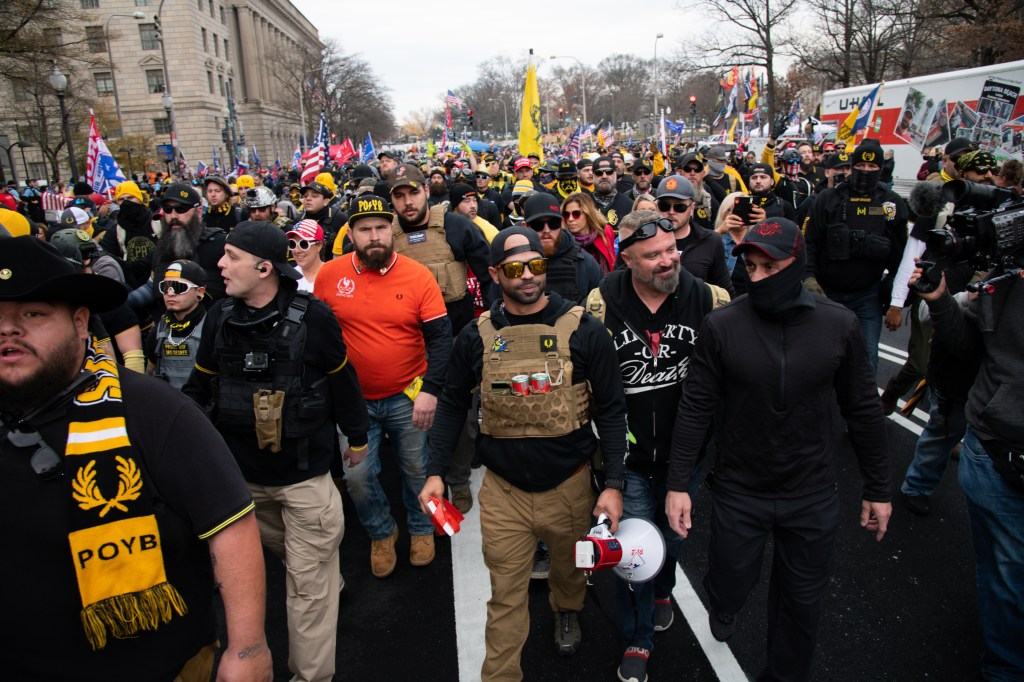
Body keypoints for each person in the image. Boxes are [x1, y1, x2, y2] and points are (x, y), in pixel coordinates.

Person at [0, 236, 271, 680]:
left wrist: (248, 649)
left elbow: (230, 522)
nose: (10, 330)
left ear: (81, 322)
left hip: (159, 666)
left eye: (33, 314)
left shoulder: (155, 410)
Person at [665, 217, 892, 682]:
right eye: (750, 266)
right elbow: (696, 407)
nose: (759, 277)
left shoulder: (839, 324)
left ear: (796, 264)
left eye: (771, 267)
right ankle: (725, 603)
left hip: (811, 492)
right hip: (739, 489)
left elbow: (864, 410)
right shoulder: (723, 324)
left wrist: (879, 487)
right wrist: (677, 484)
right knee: (729, 580)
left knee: (802, 605)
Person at [419, 226, 629, 680]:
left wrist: (613, 486)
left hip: (570, 485)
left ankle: (567, 608)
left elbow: (611, 411)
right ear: (495, 273)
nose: (529, 276)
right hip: (504, 494)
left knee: (571, 571)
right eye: (515, 268)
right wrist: (436, 471)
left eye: (536, 265)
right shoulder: (475, 337)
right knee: (505, 595)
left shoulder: (586, 330)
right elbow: (453, 404)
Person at [183, 221, 369, 682]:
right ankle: (326, 574)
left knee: (305, 592)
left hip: (304, 479)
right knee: (298, 562)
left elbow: (343, 381)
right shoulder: (220, 317)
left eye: (231, 257)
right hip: (242, 486)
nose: (220, 265)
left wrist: (357, 437)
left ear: (265, 267)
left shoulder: (316, 319)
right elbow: (199, 387)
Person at [585, 211, 725, 682]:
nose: (667, 262)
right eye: (653, 256)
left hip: (687, 454)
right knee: (636, 552)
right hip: (629, 457)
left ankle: (664, 585)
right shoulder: (600, 302)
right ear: (627, 259)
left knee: (674, 537)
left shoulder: (708, 297)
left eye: (671, 250)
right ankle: (638, 636)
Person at [313, 195, 452, 578]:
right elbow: (317, 336)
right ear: (351, 234)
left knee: (416, 468)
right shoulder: (329, 276)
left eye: (380, 227)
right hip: (352, 403)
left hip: (409, 396)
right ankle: (381, 531)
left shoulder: (418, 274)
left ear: (391, 229)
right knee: (357, 478)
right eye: (364, 229)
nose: (374, 236)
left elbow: (441, 338)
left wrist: (431, 390)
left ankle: (421, 527)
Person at [910, 260, 1024, 680]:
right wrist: (939, 299)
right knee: (1007, 575)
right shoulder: (1005, 278)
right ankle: (1006, 667)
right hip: (1002, 449)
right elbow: (964, 343)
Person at [804, 139, 908, 375]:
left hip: (868, 294)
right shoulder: (828, 199)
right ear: (852, 166)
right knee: (822, 356)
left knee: (866, 358)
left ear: (881, 169)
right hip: (828, 292)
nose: (866, 171)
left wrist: (897, 302)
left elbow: (901, 255)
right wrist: (809, 278)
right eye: (861, 165)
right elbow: (809, 242)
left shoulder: (891, 203)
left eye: (873, 167)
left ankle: (863, 410)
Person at [388, 163, 495, 334]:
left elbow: (490, 278)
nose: (407, 202)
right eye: (399, 196)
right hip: (408, 337)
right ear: (391, 199)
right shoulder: (386, 235)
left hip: (457, 332)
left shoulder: (458, 226)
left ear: (427, 191)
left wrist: (493, 322)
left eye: (414, 193)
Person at [656, 175, 736, 296]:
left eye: (680, 207)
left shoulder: (710, 241)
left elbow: (725, 291)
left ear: (692, 208)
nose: (671, 212)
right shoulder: (645, 239)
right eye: (664, 206)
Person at [523, 193, 602, 304]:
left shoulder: (585, 263)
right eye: (538, 225)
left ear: (561, 223)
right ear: (525, 226)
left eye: (553, 223)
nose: (546, 230)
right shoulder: (514, 263)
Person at [146, 259, 208, 390]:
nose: (170, 293)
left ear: (200, 292)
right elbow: (149, 373)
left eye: (179, 287)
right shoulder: (158, 331)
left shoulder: (211, 328)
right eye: (165, 287)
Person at [560, 191, 615, 274]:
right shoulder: (563, 240)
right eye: (566, 214)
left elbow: (613, 264)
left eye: (576, 213)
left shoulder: (605, 232)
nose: (570, 219)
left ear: (588, 213)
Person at [591, 156, 635, 228]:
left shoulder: (630, 205)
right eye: (599, 173)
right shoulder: (583, 203)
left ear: (615, 174)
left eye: (609, 172)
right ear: (593, 176)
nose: (604, 176)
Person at [286, 219, 326, 292]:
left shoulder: (333, 276)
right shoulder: (287, 278)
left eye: (304, 244)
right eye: (292, 244)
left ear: (319, 245)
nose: (297, 250)